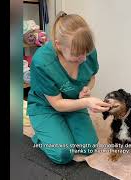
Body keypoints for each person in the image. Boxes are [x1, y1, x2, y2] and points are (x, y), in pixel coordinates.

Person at [27, 11, 112, 164]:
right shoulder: (42, 62)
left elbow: (91, 77)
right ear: (58, 45)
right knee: (64, 153)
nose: (84, 58)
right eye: (77, 54)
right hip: (46, 107)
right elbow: (58, 104)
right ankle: (41, 135)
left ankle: (62, 128)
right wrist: (87, 102)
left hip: (73, 103)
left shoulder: (86, 50)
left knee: (88, 147)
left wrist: (87, 88)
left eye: (86, 53)